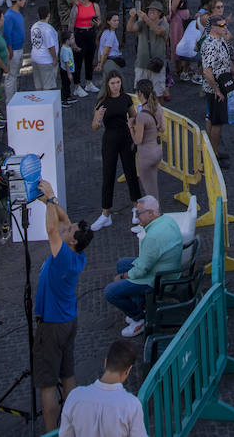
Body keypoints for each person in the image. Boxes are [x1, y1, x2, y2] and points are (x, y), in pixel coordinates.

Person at [32, 180, 94, 433]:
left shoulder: (63, 256)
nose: (66, 227)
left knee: (47, 383)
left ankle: (50, 431)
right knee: (68, 374)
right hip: (69, 321)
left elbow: (51, 229)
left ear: (71, 242)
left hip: (52, 326)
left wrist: (48, 202)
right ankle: (73, 425)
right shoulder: (77, 254)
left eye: (69, 231)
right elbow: (63, 221)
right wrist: (52, 201)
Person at [103, 196, 183, 339]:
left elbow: (141, 271)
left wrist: (122, 277)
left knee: (110, 292)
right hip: (167, 270)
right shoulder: (167, 220)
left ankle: (139, 318)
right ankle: (139, 305)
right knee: (122, 263)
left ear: (151, 213)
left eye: (139, 213)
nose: (137, 217)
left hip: (158, 279)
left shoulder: (152, 237)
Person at [59, 339, 146, 437]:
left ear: (105, 363)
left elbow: (65, 434)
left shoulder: (74, 396)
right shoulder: (132, 405)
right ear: (128, 370)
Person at [90, 71, 142, 231]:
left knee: (131, 173)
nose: (115, 86)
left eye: (118, 82)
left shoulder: (126, 98)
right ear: (107, 84)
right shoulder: (102, 102)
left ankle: (136, 208)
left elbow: (134, 117)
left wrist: (134, 129)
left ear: (121, 83)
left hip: (126, 139)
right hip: (110, 139)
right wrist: (98, 120)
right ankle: (105, 214)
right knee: (108, 175)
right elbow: (95, 126)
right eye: (112, 83)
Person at [200, 15, 234, 162]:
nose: (225, 27)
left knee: (214, 120)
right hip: (215, 90)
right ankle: (213, 156)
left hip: (223, 85)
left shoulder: (221, 40)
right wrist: (216, 90)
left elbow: (227, 60)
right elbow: (207, 71)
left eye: (225, 24)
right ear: (213, 28)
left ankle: (212, 152)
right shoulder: (209, 45)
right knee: (217, 122)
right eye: (222, 25)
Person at [131, 79, 165, 199]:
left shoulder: (142, 116)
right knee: (153, 187)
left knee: (150, 193)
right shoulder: (157, 107)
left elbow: (137, 141)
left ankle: (155, 215)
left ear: (139, 93)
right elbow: (162, 128)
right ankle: (156, 213)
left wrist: (130, 127)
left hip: (146, 155)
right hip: (157, 152)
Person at [2, 0, 29, 102]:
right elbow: (7, 35)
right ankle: (10, 100)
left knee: (15, 75)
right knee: (11, 77)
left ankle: (14, 98)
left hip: (18, 48)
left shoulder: (16, 13)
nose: (25, 1)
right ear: (18, 0)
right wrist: (10, 51)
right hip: (14, 50)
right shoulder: (9, 16)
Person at [30, 4, 60, 90]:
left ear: (38, 15)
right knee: (48, 86)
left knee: (38, 85)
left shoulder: (34, 26)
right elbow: (51, 46)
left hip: (35, 57)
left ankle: (39, 102)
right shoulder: (48, 29)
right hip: (45, 60)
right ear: (48, 15)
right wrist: (54, 59)